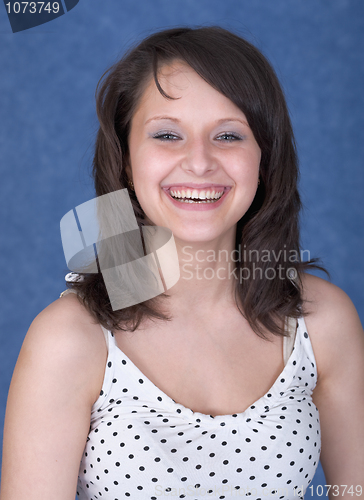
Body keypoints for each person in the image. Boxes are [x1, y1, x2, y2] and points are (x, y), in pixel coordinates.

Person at [1, 27, 363, 500]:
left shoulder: (324, 323)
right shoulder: (69, 340)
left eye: (229, 135)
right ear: (127, 160)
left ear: (264, 158)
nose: (199, 161)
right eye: (167, 134)